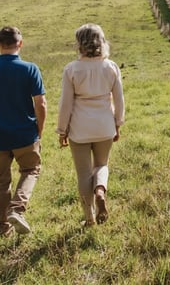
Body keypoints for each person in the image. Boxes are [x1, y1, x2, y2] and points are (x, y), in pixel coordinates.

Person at [0, 26, 47, 237]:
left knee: (1, 182)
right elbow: (41, 103)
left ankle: (4, 227)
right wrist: (39, 128)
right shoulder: (30, 69)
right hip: (25, 135)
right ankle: (17, 208)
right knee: (31, 170)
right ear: (20, 44)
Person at [56, 23, 125, 226]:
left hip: (79, 128)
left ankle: (89, 218)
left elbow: (65, 103)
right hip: (105, 125)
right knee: (102, 164)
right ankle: (101, 190)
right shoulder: (111, 67)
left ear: (80, 44)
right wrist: (118, 123)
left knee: (84, 174)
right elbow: (119, 100)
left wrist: (62, 130)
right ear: (101, 42)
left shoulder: (72, 69)